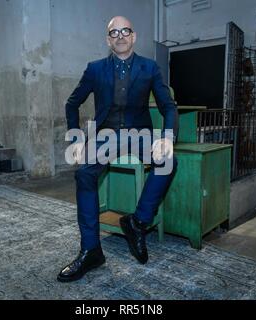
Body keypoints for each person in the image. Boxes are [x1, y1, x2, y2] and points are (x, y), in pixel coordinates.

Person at [58, 16, 179, 283]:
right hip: (106, 136)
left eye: (125, 31)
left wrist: (167, 138)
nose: (120, 35)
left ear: (133, 37)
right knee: (84, 174)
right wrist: (77, 140)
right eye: (114, 32)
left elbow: (168, 107)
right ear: (108, 40)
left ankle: (137, 222)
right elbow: (71, 104)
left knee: (169, 161)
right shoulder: (95, 69)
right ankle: (91, 250)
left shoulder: (150, 68)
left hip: (140, 135)